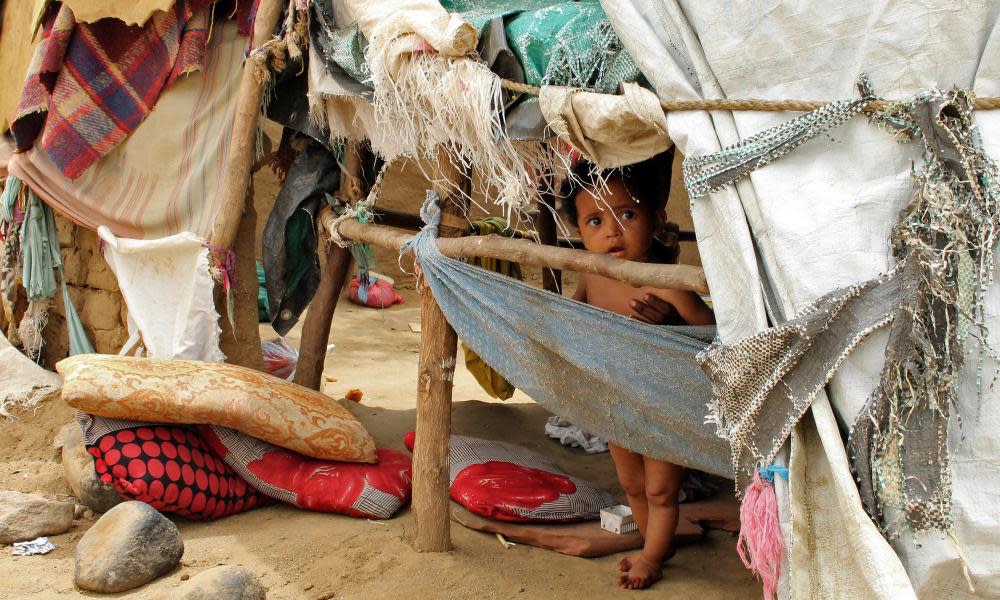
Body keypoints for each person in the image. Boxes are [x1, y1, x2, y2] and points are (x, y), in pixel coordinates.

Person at [567, 163, 714, 590]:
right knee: (631, 482)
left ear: (657, 219)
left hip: (663, 405)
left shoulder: (668, 284)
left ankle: (652, 557)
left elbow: (712, 337)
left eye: (627, 215)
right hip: (616, 400)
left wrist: (672, 326)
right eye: (595, 221)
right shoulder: (591, 276)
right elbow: (568, 317)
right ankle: (655, 543)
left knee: (661, 490)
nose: (612, 231)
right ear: (579, 231)